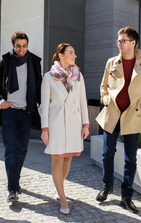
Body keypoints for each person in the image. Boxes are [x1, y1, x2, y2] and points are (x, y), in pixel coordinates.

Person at [95, 27, 141, 214]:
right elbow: (103, 87)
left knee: (131, 158)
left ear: (133, 43)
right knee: (107, 154)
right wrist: (106, 99)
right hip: (112, 113)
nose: (119, 44)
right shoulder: (111, 62)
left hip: (133, 115)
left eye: (123, 41)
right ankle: (107, 187)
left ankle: (126, 196)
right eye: (118, 41)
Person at [0, 31, 42, 202]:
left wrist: (36, 103)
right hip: (9, 112)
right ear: (12, 45)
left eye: (25, 45)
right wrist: (1, 102)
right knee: (10, 150)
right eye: (18, 46)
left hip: (26, 112)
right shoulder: (3, 62)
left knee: (22, 150)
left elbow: (39, 87)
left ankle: (15, 180)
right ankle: (12, 188)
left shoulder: (34, 61)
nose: (22, 49)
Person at [40, 43, 89, 215]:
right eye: (71, 53)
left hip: (75, 124)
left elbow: (83, 101)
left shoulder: (78, 76)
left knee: (68, 159)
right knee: (57, 160)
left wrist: (86, 124)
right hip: (56, 125)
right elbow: (44, 105)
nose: (74, 56)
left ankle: (58, 187)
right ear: (60, 55)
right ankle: (62, 198)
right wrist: (44, 129)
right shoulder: (49, 77)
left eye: (74, 53)